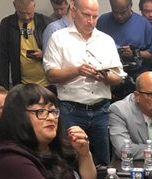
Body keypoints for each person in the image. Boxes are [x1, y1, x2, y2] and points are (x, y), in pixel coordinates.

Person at [44, 0, 125, 168]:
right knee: (70, 161)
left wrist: (104, 77)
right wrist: (77, 71)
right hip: (71, 110)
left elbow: (119, 77)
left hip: (101, 109)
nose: (91, 21)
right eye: (86, 15)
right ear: (74, 11)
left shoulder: (106, 40)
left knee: (103, 162)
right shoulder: (58, 38)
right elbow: (51, 75)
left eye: (95, 16)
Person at [96, 0, 152, 97]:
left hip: (135, 81)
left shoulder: (143, 24)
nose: (119, 16)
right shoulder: (103, 21)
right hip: (109, 80)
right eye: (115, 11)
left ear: (130, 6)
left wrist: (135, 53)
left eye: (122, 12)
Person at [0, 0, 50, 89]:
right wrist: (4, 88)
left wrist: (44, 54)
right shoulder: (7, 24)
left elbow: (58, 53)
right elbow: (3, 58)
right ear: (14, 6)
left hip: (47, 84)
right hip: (21, 85)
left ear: (34, 6)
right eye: (22, 13)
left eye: (29, 13)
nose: (26, 17)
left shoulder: (45, 22)